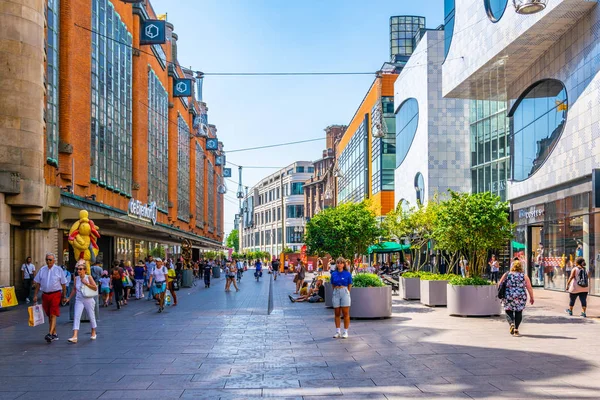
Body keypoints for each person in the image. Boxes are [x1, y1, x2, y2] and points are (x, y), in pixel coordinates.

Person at [32, 253, 67, 343]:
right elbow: (38, 283)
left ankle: (50, 333)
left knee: (53, 313)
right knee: (49, 314)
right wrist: (35, 295)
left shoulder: (58, 270)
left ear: (54, 260)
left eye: (50, 260)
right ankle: (54, 333)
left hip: (55, 294)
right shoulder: (42, 270)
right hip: (45, 295)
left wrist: (64, 295)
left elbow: (63, 284)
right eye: (47, 259)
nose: (48, 261)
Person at [498, 260, 534, 337]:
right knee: (519, 311)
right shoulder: (524, 276)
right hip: (520, 296)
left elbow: (499, 284)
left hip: (509, 295)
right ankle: (516, 329)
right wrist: (532, 297)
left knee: (508, 310)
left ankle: (511, 324)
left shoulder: (507, 274)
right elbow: (529, 287)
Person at [66, 260, 98, 343]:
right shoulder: (76, 278)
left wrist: (87, 283)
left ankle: (93, 331)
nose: (78, 271)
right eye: (78, 269)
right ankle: (75, 336)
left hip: (88, 299)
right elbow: (74, 289)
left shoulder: (88, 277)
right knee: (76, 316)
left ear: (85, 270)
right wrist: (69, 298)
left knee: (91, 316)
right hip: (79, 299)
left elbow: (95, 288)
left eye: (80, 269)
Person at [331, 258, 352, 339]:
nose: (339, 264)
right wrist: (335, 291)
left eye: (341, 263)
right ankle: (337, 331)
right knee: (337, 313)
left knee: (345, 313)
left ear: (344, 264)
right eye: (338, 263)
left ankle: (345, 331)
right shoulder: (333, 274)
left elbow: (350, 284)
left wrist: (347, 292)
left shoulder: (347, 274)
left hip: (344, 291)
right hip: (336, 291)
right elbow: (332, 284)